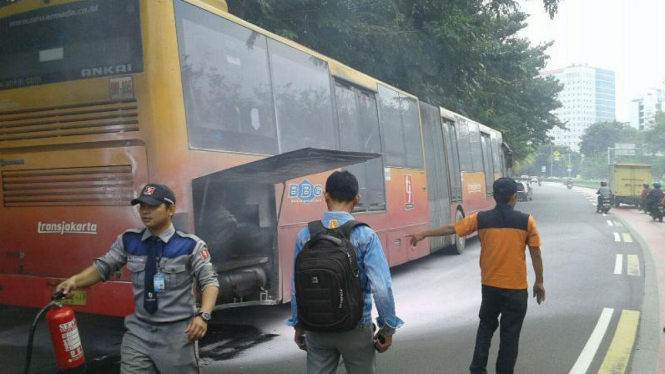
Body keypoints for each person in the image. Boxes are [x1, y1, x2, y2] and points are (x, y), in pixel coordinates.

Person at [56, 183, 219, 374]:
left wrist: (203, 315)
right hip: (139, 331)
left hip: (177, 334)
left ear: (171, 209)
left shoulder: (190, 245)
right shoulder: (129, 240)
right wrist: (74, 281)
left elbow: (209, 281)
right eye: (142, 206)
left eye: (152, 206)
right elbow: (103, 266)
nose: (145, 212)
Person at [408, 177, 545, 374]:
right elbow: (535, 252)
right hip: (516, 290)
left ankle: (477, 370)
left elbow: (452, 228)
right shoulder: (526, 221)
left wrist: (424, 234)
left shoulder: (481, 219)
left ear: (494, 196)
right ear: (514, 196)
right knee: (510, 337)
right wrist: (539, 281)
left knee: (485, 328)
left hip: (491, 287)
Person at [287, 170, 403, 374]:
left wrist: (299, 324)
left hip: (316, 328)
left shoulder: (304, 236)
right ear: (357, 199)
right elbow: (381, 288)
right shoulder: (365, 235)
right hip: (356, 327)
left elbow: (296, 287)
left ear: (325, 195)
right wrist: (387, 328)